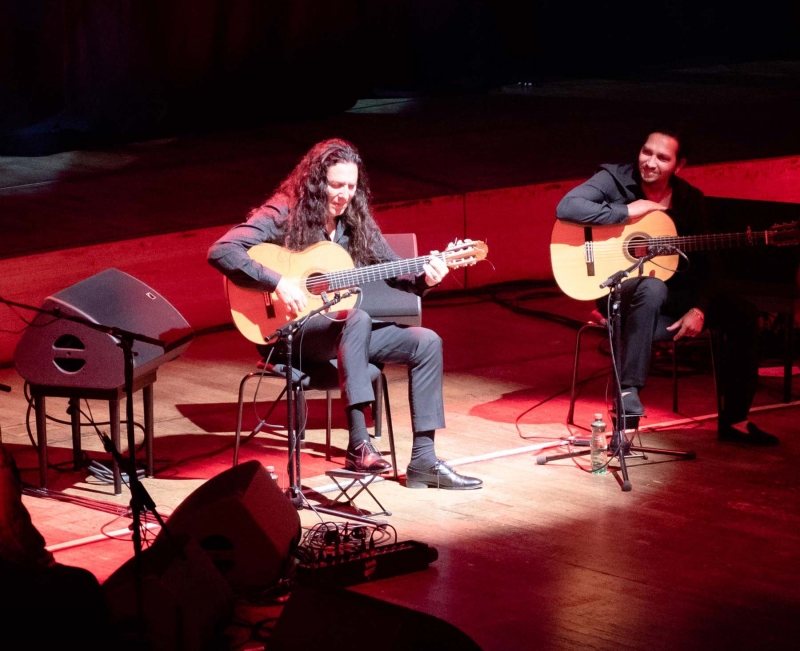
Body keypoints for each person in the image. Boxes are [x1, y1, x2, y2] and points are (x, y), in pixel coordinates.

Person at [208, 138, 482, 488]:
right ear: (315, 182)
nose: (344, 194)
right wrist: (276, 282)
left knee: (425, 342)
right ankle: (359, 443)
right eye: (336, 185)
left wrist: (427, 277)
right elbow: (222, 251)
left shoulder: (355, 222)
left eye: (351, 187)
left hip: (338, 335)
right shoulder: (283, 213)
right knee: (356, 317)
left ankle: (424, 461)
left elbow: (400, 273)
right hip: (287, 333)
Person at [555, 127, 778, 446]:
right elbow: (567, 208)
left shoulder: (689, 200)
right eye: (647, 152)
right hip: (615, 290)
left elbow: (712, 270)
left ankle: (736, 421)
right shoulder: (615, 179)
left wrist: (699, 309)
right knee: (651, 289)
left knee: (743, 313)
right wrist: (627, 210)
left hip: (672, 298)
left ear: (679, 164)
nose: (650, 162)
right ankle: (628, 406)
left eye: (662, 157)